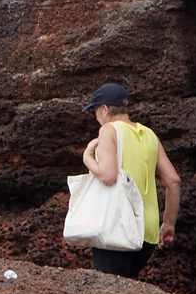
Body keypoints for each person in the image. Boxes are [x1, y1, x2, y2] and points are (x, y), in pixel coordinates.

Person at [73, 84, 181, 278]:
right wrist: (168, 224)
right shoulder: (149, 134)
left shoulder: (109, 130)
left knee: (108, 291)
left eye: (95, 111)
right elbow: (173, 181)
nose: (96, 117)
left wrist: (87, 158)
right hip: (148, 234)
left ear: (105, 109)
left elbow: (108, 176)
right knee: (126, 288)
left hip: (117, 228)